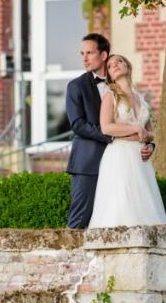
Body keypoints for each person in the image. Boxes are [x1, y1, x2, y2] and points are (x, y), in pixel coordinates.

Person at [65, 34, 154, 229]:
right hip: (88, 162)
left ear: (103, 54)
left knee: (125, 212)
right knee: (81, 217)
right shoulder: (76, 86)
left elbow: (145, 127)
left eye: (90, 53)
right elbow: (78, 125)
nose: (85, 58)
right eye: (82, 54)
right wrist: (116, 135)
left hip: (125, 163)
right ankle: (75, 259)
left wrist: (149, 144)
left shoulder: (127, 88)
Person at [88, 54, 166, 228]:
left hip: (140, 158)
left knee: (143, 202)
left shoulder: (142, 99)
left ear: (128, 67)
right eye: (109, 65)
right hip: (120, 154)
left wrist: (150, 146)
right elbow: (106, 127)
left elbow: (150, 132)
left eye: (119, 62)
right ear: (109, 75)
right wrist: (136, 129)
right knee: (122, 201)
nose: (114, 65)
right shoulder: (110, 97)